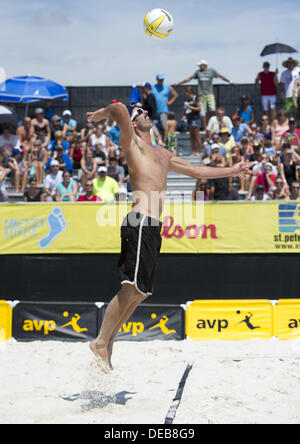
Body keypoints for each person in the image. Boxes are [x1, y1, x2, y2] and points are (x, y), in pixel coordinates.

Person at [86, 101, 251, 370]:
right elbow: (118, 109)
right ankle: (101, 341)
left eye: (146, 112)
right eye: (141, 114)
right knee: (131, 287)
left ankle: (110, 339)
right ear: (133, 124)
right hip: (139, 221)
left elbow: (197, 171)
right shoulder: (133, 143)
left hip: (152, 226)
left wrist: (232, 170)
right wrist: (104, 113)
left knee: (141, 292)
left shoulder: (162, 153)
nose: (147, 114)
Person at [174, 60, 237, 131]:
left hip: (210, 94)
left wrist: (230, 82)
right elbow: (189, 79)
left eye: (200, 65)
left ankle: (213, 127)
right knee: (203, 113)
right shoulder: (198, 72)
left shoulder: (211, 71)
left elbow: (221, 76)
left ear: (204, 65)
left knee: (212, 110)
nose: (199, 67)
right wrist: (179, 83)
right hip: (201, 94)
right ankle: (205, 128)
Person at [183, 86, 202, 156]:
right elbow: (187, 110)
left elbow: (199, 108)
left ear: (189, 92)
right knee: (191, 136)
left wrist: (190, 107)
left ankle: (200, 151)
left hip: (196, 119)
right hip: (190, 119)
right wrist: (184, 116)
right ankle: (193, 152)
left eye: (186, 92)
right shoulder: (187, 100)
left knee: (197, 135)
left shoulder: (195, 98)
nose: (185, 94)